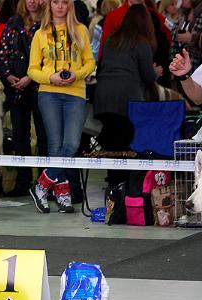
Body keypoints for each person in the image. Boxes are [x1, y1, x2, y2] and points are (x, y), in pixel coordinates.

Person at [27, 0, 95, 213]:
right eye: (55, 2)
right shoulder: (40, 34)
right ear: (50, 6)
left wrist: (77, 74)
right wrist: (51, 77)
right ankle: (62, 193)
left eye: (64, 2)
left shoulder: (81, 30)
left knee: (72, 144)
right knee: (55, 146)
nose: (59, 6)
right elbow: (32, 70)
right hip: (49, 93)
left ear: (70, 6)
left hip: (76, 93)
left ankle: (41, 185)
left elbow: (90, 62)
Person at [94, 4, 160, 186]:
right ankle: (127, 190)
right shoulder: (141, 42)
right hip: (128, 102)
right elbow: (147, 77)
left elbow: (100, 68)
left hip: (103, 100)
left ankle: (114, 188)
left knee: (112, 147)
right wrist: (156, 73)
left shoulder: (111, 39)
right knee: (126, 147)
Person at [0, 0, 46, 196]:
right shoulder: (12, 23)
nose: (32, 2)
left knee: (43, 137)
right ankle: (22, 182)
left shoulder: (46, 24)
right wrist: (9, 76)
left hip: (39, 87)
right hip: (15, 89)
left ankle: (44, 183)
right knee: (20, 137)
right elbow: (1, 55)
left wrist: (29, 77)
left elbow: (46, 58)